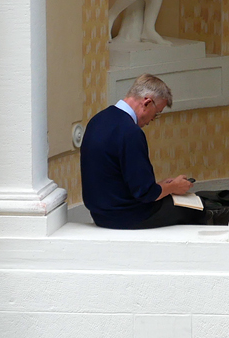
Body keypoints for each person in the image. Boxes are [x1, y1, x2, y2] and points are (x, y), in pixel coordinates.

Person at [80, 73, 217, 229]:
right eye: (157, 113)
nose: (153, 119)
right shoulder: (130, 132)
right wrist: (173, 187)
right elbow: (146, 194)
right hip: (127, 215)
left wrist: (161, 185)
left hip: (100, 213)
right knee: (196, 209)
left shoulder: (98, 119)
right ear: (147, 103)